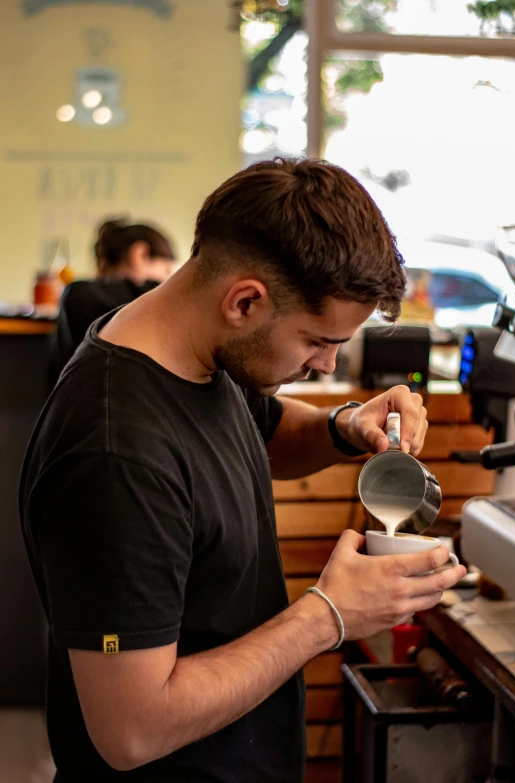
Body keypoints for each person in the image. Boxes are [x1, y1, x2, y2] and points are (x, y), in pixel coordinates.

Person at [20, 158, 466, 783]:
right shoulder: (116, 455)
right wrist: (327, 615)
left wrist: (344, 427)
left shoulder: (195, 357)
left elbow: (262, 429)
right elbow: (131, 728)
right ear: (246, 301)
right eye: (317, 340)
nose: (326, 364)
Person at [50, 218, 176, 382]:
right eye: (166, 270)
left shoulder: (76, 294)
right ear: (140, 254)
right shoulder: (87, 295)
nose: (166, 280)